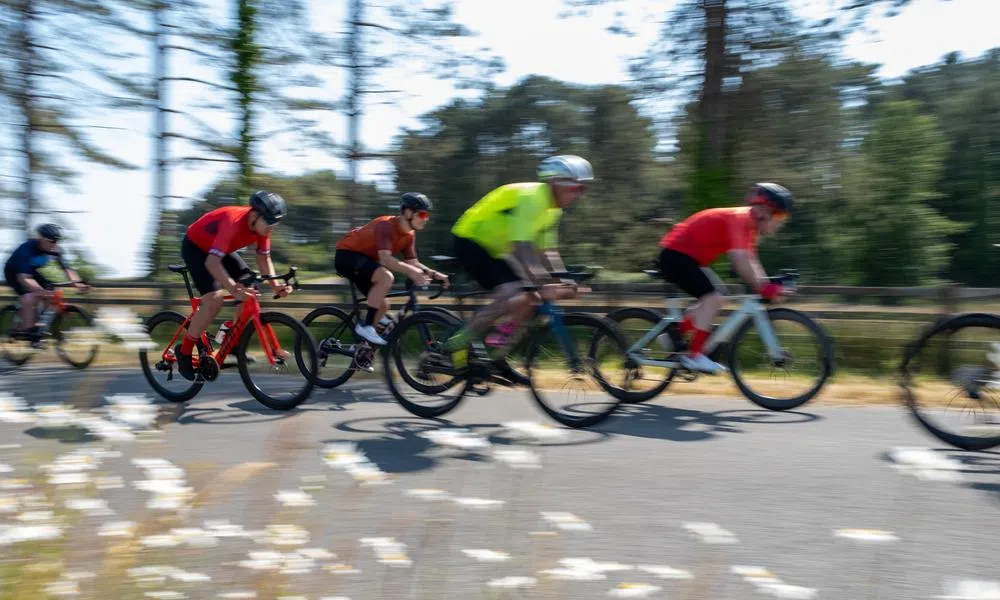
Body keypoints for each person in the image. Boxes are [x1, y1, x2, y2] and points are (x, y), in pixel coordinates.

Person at [444, 155, 593, 371]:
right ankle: (455, 344)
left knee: (529, 299)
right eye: (575, 189)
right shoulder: (533, 198)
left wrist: (565, 280)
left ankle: (496, 357)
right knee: (512, 292)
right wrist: (543, 281)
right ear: (555, 183)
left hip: (496, 248)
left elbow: (547, 251)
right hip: (471, 239)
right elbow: (521, 246)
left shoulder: (554, 210)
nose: (579, 195)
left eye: (582, 189)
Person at [657, 182, 795, 374]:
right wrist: (763, 288)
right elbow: (739, 260)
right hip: (676, 256)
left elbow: (751, 260)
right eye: (780, 216)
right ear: (764, 210)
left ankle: (675, 333)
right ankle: (695, 356)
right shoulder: (741, 219)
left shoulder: (749, 226)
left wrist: (766, 285)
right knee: (712, 299)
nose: (782, 222)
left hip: (688, 258)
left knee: (720, 298)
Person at [175, 190, 294, 381]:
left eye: (276, 223)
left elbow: (264, 258)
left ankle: (232, 344)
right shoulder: (233, 222)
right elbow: (212, 263)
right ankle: (185, 351)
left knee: (250, 287)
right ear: (255, 216)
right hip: (196, 248)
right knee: (214, 301)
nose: (273, 227)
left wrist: (275, 286)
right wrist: (231, 288)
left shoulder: (262, 228)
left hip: (219, 248)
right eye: (270, 221)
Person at [334, 192, 449, 346]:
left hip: (365, 262)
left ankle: (361, 349)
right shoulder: (386, 226)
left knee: (382, 306)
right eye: (422, 214)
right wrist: (411, 272)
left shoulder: (409, 235)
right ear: (408, 212)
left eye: (427, 215)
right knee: (386, 277)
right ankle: (367, 327)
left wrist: (434, 274)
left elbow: (413, 262)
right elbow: (385, 259)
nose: (425, 219)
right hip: (346, 256)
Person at [3, 223, 88, 337]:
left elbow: (67, 269)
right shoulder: (26, 250)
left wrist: (78, 282)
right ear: (41, 238)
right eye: (51, 241)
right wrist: (40, 291)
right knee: (30, 297)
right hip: (15, 273)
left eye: (57, 241)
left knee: (51, 293)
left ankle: (41, 326)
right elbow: (24, 278)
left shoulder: (56, 250)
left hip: (34, 272)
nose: (55, 244)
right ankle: (26, 329)